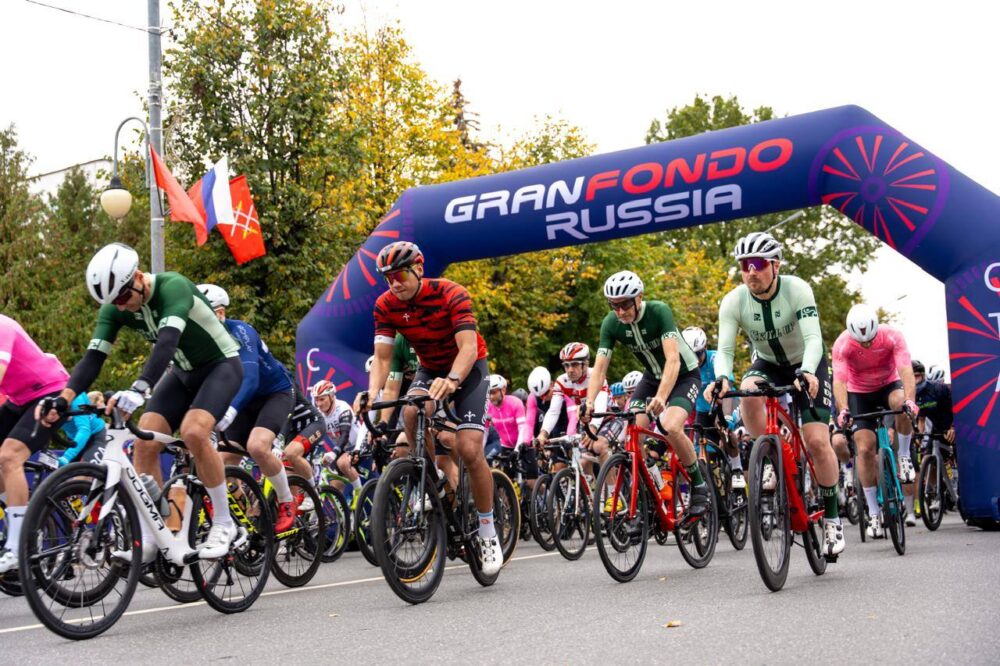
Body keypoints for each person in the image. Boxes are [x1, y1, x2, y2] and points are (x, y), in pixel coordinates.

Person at [38, 244, 244, 563]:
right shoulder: (116, 306)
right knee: (144, 440)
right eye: (112, 303)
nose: (120, 308)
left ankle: (224, 523)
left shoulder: (173, 286)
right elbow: (93, 358)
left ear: (137, 278)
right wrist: (63, 399)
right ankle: (152, 536)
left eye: (122, 298)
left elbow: (167, 342)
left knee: (193, 432)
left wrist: (140, 388)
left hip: (221, 366)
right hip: (183, 372)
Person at [356, 240, 501, 576]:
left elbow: (467, 348)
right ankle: (431, 473)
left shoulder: (451, 293)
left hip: (469, 367)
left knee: (467, 447)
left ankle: (487, 529)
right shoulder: (385, 305)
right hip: (430, 368)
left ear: (419, 269)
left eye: (400, 274)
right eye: (388, 277)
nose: (394, 282)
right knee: (410, 410)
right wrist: (371, 392)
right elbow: (382, 357)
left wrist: (452, 380)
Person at [706, 232, 844, 557]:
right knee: (748, 391)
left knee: (817, 441)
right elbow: (725, 349)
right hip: (767, 363)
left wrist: (809, 371)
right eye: (744, 265)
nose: (750, 272)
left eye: (757, 264)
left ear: (775, 265)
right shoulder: (734, 300)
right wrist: (722, 377)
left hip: (807, 364)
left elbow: (813, 339)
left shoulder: (797, 289)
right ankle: (767, 452)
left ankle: (833, 519)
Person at [583, 271, 709, 519]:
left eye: (625, 304)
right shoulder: (611, 323)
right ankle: (650, 489)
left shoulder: (659, 311)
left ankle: (699, 484)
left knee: (670, 425)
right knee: (633, 430)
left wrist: (662, 397)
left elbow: (672, 360)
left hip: (683, 374)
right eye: (614, 306)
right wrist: (588, 402)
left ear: (639, 297)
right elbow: (599, 368)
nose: (620, 312)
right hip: (651, 377)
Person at [198, 284, 298, 532]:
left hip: (273, 393)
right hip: (242, 400)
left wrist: (229, 411)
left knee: (257, 446)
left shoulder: (241, 331)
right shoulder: (201, 342)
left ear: (220, 314)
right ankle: (242, 519)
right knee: (219, 461)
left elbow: (250, 378)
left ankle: (286, 500)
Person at [832, 304, 920, 533]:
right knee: (864, 449)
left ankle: (903, 457)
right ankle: (873, 512)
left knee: (901, 405)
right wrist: (843, 409)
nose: (867, 345)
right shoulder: (842, 344)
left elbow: (906, 371)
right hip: (859, 392)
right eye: (862, 342)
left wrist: (910, 400)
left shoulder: (892, 336)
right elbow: (840, 381)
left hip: (888, 385)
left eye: (870, 340)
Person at [0, 315, 69, 573]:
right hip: (19, 399)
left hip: (51, 393)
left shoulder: (2, 327)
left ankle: (18, 545)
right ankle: (21, 515)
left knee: (9, 456)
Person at [682, 326, 743, 490]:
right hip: (703, 410)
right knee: (703, 448)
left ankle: (737, 469)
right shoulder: (684, 365)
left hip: (726, 403)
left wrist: (728, 416)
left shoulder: (715, 358)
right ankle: (715, 484)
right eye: (690, 355)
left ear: (705, 349)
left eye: (698, 354)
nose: (695, 359)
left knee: (724, 428)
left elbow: (728, 385)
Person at [312, 380, 361, 503]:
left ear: (332, 396)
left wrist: (333, 453)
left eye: (322, 399)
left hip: (358, 446)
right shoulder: (319, 414)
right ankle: (345, 516)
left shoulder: (342, 408)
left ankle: (359, 494)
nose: (319, 404)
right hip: (341, 449)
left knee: (342, 462)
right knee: (335, 489)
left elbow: (345, 435)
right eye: (316, 400)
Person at [486, 374, 537, 488]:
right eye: (489, 393)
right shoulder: (488, 407)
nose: (491, 396)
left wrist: (517, 450)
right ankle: (511, 505)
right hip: (506, 446)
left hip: (525, 444)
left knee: (531, 482)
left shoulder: (515, 403)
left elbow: (522, 429)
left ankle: (544, 499)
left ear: (503, 390)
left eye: (494, 392)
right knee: (505, 484)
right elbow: (484, 432)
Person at [56, 391, 108, 467]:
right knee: (67, 476)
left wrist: (67, 457)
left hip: (95, 435)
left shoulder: (76, 399)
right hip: (74, 438)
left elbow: (84, 430)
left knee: (85, 472)